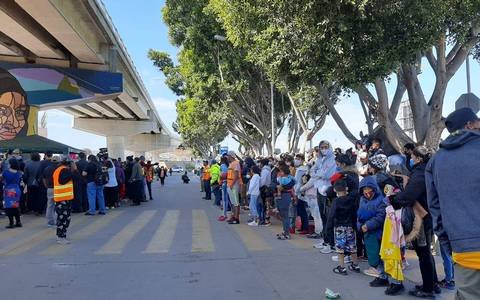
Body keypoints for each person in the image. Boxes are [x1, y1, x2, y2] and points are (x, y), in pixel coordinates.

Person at [426, 107, 480, 300]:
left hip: (464, 249)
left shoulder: (436, 161)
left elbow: (435, 209)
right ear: (470, 125)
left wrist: (449, 246)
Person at [390, 146, 439, 298]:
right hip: (428, 214)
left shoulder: (420, 172)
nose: (410, 159)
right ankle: (432, 284)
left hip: (421, 217)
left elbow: (409, 195)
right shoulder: (429, 169)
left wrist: (394, 199)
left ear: (418, 158)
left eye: (412, 157)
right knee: (426, 254)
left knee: (423, 253)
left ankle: (428, 290)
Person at [357, 176, 388, 286]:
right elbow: (359, 215)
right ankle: (376, 267)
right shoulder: (362, 199)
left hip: (377, 230)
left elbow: (381, 216)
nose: (367, 191)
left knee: (377, 251)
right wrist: (360, 225)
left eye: (369, 188)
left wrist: (368, 225)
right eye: (364, 189)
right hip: (366, 229)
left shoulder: (381, 200)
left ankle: (378, 269)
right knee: (371, 249)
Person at [330, 179, 361, 275]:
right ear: (346, 188)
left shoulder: (336, 201)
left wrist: (328, 229)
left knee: (340, 248)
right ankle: (355, 265)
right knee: (352, 247)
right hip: (350, 227)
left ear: (335, 190)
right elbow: (354, 214)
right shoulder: (351, 200)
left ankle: (342, 267)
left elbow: (331, 215)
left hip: (340, 228)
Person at [311, 140, 337, 252]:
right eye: (322, 147)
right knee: (322, 216)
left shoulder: (333, 159)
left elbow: (328, 175)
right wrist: (319, 173)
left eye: (326, 146)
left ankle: (331, 244)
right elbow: (311, 171)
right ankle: (325, 240)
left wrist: (318, 173)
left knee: (328, 217)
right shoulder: (319, 159)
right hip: (319, 189)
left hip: (327, 191)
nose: (324, 149)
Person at [53, 156, 76, 244]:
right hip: (63, 199)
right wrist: (74, 170)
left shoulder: (59, 169)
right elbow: (64, 181)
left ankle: (62, 235)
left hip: (63, 198)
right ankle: (61, 237)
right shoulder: (64, 170)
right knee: (63, 219)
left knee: (64, 218)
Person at [275, 164, 296, 240]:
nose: (279, 173)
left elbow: (280, 187)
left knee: (285, 216)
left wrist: (278, 187)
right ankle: (285, 231)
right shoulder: (291, 178)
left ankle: (286, 233)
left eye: (280, 171)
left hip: (284, 196)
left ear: (283, 172)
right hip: (287, 196)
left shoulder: (283, 179)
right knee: (285, 216)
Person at [2, 158, 23, 228]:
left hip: (8, 190)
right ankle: (18, 222)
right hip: (17, 190)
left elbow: (2, 179)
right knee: (15, 206)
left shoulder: (6, 172)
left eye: (8, 163)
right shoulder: (19, 172)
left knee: (8, 207)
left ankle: (11, 223)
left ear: (11, 164)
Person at [294, 153, 309, 234]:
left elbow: (298, 182)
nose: (297, 160)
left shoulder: (301, 169)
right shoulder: (302, 168)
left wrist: (296, 192)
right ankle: (303, 227)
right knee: (301, 210)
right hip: (301, 192)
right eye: (296, 158)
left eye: (299, 159)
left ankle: (305, 227)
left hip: (300, 192)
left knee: (302, 211)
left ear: (303, 160)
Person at [43, 156, 60, 227]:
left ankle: (50, 222)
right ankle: (57, 221)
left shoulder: (46, 169)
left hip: (49, 188)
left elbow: (43, 178)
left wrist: (46, 186)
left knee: (50, 205)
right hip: (58, 189)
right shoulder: (59, 169)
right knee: (58, 205)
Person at [226, 151, 241, 224]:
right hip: (230, 185)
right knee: (233, 202)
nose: (227, 157)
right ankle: (233, 216)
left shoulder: (236, 163)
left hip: (233, 185)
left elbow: (236, 175)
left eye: (228, 156)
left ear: (231, 156)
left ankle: (236, 218)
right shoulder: (231, 164)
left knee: (236, 203)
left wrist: (231, 184)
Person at [258, 158, 272, 226]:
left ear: (262, 163)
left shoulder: (264, 171)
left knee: (265, 205)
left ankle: (265, 220)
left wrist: (259, 186)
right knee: (267, 204)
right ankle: (267, 219)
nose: (259, 164)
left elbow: (263, 181)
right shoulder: (268, 170)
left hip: (264, 189)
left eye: (260, 163)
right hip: (268, 188)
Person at [218, 156, 230, 222]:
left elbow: (223, 175)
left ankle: (224, 214)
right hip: (228, 183)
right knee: (228, 199)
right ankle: (228, 213)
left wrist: (220, 177)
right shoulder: (228, 165)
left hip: (224, 183)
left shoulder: (222, 165)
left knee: (224, 199)